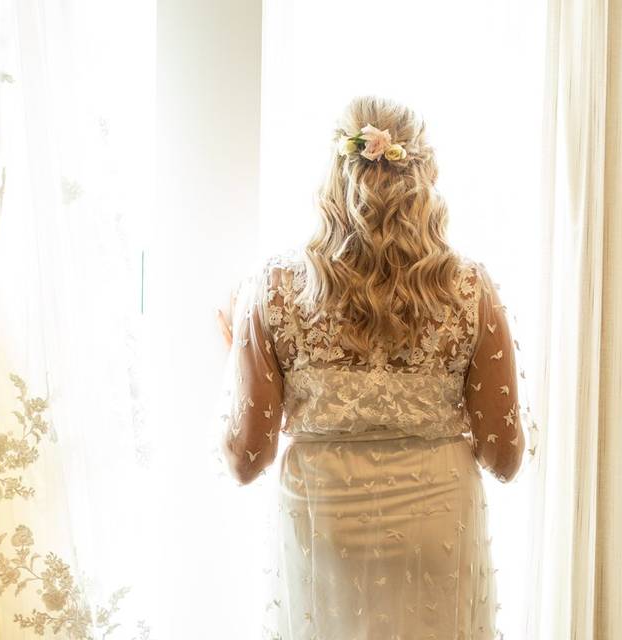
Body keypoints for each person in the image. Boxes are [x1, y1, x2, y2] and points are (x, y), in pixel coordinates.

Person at [216, 95, 525, 639]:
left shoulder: (273, 290)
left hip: (324, 525)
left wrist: (235, 366)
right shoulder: (472, 290)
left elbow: (246, 460)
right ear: (425, 178)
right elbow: (503, 458)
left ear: (334, 177)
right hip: (438, 527)